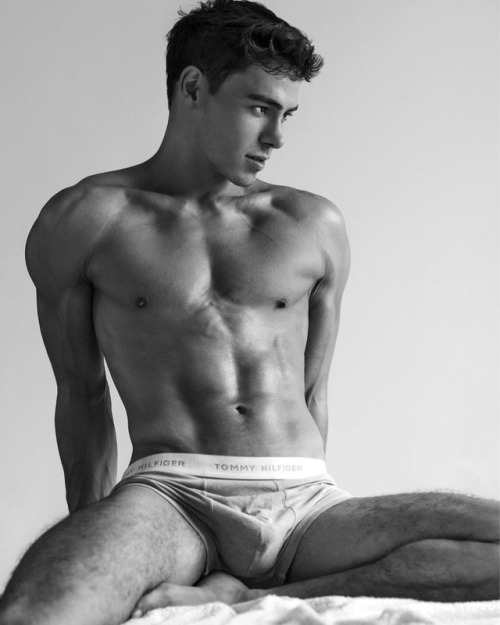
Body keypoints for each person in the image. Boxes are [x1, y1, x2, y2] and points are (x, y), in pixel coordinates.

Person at [1, 1, 498, 623]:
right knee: (39, 610)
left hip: (305, 501)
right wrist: (100, 535)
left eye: (288, 114)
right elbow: (81, 395)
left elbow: (314, 391)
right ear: (193, 88)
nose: (277, 137)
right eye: (260, 108)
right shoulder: (85, 220)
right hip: (170, 496)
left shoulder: (313, 223)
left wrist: (290, 549)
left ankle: (250, 597)